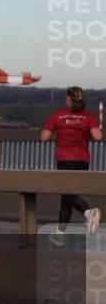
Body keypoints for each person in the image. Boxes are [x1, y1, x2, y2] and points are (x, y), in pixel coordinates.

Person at [42, 86, 102, 247]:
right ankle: (60, 235)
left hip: (64, 160)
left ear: (69, 99)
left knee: (67, 194)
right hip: (82, 161)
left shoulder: (58, 116)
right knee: (67, 196)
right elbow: (98, 136)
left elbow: (44, 137)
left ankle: (88, 213)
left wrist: (59, 130)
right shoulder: (88, 117)